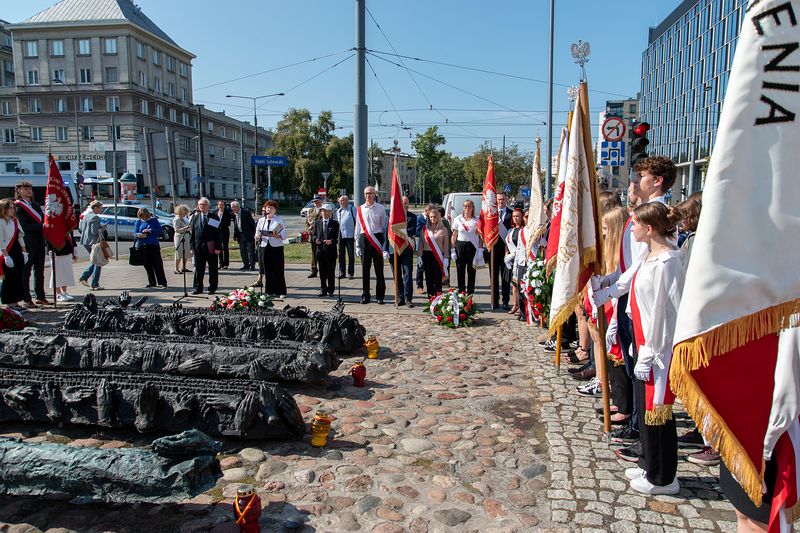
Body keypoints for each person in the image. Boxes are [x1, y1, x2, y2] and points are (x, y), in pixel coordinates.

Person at [591, 156, 678, 450]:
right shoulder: (639, 213)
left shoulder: (659, 215)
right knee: (632, 367)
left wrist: (612, 290)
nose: (635, 181)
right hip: (630, 296)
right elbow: (628, 260)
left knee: (646, 373)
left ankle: (644, 434)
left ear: (658, 181)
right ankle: (636, 424)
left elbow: (643, 265)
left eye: (641, 175)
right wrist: (609, 281)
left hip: (644, 300)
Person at [623, 201, 684, 496]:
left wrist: (650, 352)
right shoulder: (650, 255)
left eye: (635, 224)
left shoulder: (668, 261)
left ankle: (663, 477)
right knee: (644, 405)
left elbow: (664, 311)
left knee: (657, 411)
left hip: (657, 348)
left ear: (648, 230)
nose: (631, 228)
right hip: (643, 340)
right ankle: (648, 461)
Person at [14, 180, 48, 308]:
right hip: (27, 242)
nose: (29, 191)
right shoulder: (18, 206)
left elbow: (43, 218)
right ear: (19, 191)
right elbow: (24, 226)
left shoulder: (35, 205)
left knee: (39, 270)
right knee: (26, 271)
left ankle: (40, 296)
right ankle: (26, 298)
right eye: (25, 189)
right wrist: (42, 226)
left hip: (39, 241)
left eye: (29, 188)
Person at [354, 186, 387, 304]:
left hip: (377, 238)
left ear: (375, 194)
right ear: (364, 195)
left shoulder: (381, 208)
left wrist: (385, 246)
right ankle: (365, 295)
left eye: (371, 193)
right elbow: (357, 228)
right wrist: (357, 245)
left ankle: (380, 296)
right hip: (364, 239)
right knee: (365, 270)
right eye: (367, 193)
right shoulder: (360, 209)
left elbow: (384, 227)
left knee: (379, 270)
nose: (368, 195)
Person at [254, 200, 287, 297]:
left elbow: (284, 235)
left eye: (271, 208)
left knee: (278, 269)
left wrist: (277, 235)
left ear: (275, 210)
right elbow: (256, 233)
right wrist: (257, 236)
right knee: (267, 269)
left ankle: (281, 291)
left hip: (276, 247)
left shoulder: (279, 220)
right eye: (268, 207)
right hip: (264, 246)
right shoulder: (261, 220)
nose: (269, 209)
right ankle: (269, 291)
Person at [388, 196, 417, 307]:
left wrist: (398, 230)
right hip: (393, 248)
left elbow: (412, 231)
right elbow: (388, 232)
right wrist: (385, 249)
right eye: (403, 203)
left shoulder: (412, 217)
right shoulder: (391, 217)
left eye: (407, 203)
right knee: (397, 274)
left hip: (407, 248)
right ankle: (400, 297)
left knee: (408, 274)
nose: (405, 205)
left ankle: (408, 298)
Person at [0, 199, 28, 311]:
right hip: (7, 251)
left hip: (17, 251)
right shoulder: (1, 222)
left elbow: (20, 236)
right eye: (10, 208)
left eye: (13, 207)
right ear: (4, 209)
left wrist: (24, 251)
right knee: (8, 279)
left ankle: (16, 302)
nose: (12, 210)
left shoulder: (15, 220)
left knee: (17, 278)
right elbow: (1, 240)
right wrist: (6, 256)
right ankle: (9, 303)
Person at [190, 197, 222, 295]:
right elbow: (193, 233)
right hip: (199, 247)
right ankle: (197, 287)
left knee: (212, 268)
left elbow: (218, 233)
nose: (202, 206)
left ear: (208, 206)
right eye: (201, 204)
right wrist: (192, 247)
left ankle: (212, 287)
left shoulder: (213, 217)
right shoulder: (195, 217)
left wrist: (218, 247)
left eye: (204, 204)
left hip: (211, 246)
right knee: (199, 269)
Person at [450, 199, 481, 295]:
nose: (467, 208)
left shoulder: (477, 220)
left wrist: (480, 248)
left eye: (469, 206)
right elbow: (454, 235)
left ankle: (470, 293)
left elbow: (480, 236)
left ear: (473, 208)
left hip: (472, 247)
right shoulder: (458, 219)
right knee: (460, 270)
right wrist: (452, 250)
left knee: (471, 271)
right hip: (460, 246)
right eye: (465, 206)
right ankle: (461, 292)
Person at [419, 207, 449, 297]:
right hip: (426, 255)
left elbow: (446, 245)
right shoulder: (424, 229)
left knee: (437, 277)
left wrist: (446, 257)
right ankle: (431, 297)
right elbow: (420, 243)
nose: (433, 219)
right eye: (431, 217)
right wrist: (420, 256)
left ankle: (438, 297)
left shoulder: (443, 229)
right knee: (428, 277)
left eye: (434, 217)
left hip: (438, 256)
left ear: (438, 217)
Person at [134, 208, 168, 289]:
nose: (143, 218)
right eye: (141, 217)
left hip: (153, 245)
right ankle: (152, 282)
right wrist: (139, 235)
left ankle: (162, 282)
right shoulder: (138, 222)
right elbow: (135, 232)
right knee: (147, 265)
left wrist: (150, 230)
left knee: (157, 264)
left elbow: (159, 230)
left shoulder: (153, 220)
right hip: (142, 245)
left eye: (144, 217)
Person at [490, 191, 513, 310]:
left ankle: (505, 301)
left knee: (505, 277)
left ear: (506, 199)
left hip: (506, 249)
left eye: (502, 199)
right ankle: (494, 301)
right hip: (493, 249)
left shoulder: (511, 214)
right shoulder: (491, 214)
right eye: (498, 199)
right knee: (493, 276)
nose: (500, 201)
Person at [78, 200, 106, 291]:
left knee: (94, 261)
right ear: (95, 208)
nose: (101, 210)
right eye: (100, 208)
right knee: (98, 261)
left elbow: (80, 228)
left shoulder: (86, 216)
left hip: (85, 241)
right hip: (93, 242)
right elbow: (95, 231)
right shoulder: (95, 217)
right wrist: (102, 228)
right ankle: (94, 282)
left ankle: (85, 278)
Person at [312, 203, 339, 297]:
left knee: (330, 272)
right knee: (322, 272)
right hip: (320, 251)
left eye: (325, 211)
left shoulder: (335, 223)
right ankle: (323, 289)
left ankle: (331, 290)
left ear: (330, 212)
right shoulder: (317, 222)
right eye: (322, 211)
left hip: (331, 252)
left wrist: (331, 241)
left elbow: (337, 238)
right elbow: (314, 235)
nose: (323, 212)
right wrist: (316, 240)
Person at [49, 230, 78, 302]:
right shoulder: (54, 224)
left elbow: (71, 239)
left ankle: (64, 292)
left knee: (66, 272)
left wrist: (75, 252)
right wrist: (50, 250)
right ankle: (58, 293)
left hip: (66, 251)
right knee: (57, 273)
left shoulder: (67, 226)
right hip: (56, 251)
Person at [335, 195, 356, 279]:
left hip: (350, 235)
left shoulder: (352, 209)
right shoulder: (338, 211)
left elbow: (357, 221)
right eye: (340, 201)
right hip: (341, 236)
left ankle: (350, 273)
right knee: (341, 255)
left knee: (351, 255)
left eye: (343, 200)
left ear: (347, 201)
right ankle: (342, 272)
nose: (341, 202)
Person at [231, 201, 256, 271]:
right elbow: (236, 226)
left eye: (233, 208)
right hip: (240, 235)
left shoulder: (246, 213)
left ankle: (252, 265)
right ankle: (246, 265)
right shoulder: (234, 214)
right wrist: (235, 236)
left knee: (250, 251)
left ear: (237, 207)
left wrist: (253, 234)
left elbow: (252, 224)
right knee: (243, 251)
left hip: (249, 234)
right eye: (232, 208)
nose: (232, 210)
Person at [305, 195, 323, 278]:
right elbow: (307, 222)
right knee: (314, 253)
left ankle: (324, 270)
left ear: (321, 202)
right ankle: (314, 270)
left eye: (317, 201)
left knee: (322, 253)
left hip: (321, 235)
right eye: (314, 202)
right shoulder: (311, 211)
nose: (315, 203)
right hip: (313, 235)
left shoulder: (324, 210)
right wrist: (309, 230)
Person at [415, 204, 431, 294]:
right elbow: (416, 231)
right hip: (420, 245)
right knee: (420, 267)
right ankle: (419, 286)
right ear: (426, 211)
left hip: (429, 246)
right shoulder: (419, 218)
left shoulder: (431, 218)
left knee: (429, 266)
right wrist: (425, 232)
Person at [173, 204, 192, 275]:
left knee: (186, 253)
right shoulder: (176, 219)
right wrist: (186, 228)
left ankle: (184, 267)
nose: (185, 214)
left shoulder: (184, 219)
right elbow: (177, 230)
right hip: (179, 237)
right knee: (179, 253)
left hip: (186, 236)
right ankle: (176, 269)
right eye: (184, 213)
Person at [216, 200, 232, 269]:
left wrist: (219, 223)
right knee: (218, 248)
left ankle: (226, 264)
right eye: (220, 205)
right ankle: (221, 263)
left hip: (224, 232)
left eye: (222, 205)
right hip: (217, 233)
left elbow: (228, 223)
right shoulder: (215, 213)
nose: (221, 206)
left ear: (224, 206)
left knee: (225, 248)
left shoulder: (227, 213)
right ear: (218, 206)